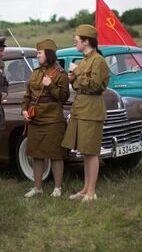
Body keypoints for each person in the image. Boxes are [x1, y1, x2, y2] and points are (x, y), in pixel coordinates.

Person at [62, 24, 110, 202]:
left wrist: (77, 71)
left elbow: (96, 85)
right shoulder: (84, 60)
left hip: (91, 109)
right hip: (81, 107)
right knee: (84, 151)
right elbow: (80, 84)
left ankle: (91, 192)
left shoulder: (98, 60)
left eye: (77, 40)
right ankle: (85, 189)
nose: (75, 42)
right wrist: (73, 79)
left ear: (86, 41)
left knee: (91, 152)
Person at [21, 39, 69, 198]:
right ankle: (37, 187)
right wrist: (24, 110)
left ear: (48, 54)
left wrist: (50, 86)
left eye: (39, 53)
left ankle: (57, 188)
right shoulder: (36, 72)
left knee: (56, 154)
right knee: (36, 154)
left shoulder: (60, 74)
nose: (37, 55)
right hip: (36, 119)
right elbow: (27, 94)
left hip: (53, 119)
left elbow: (63, 97)